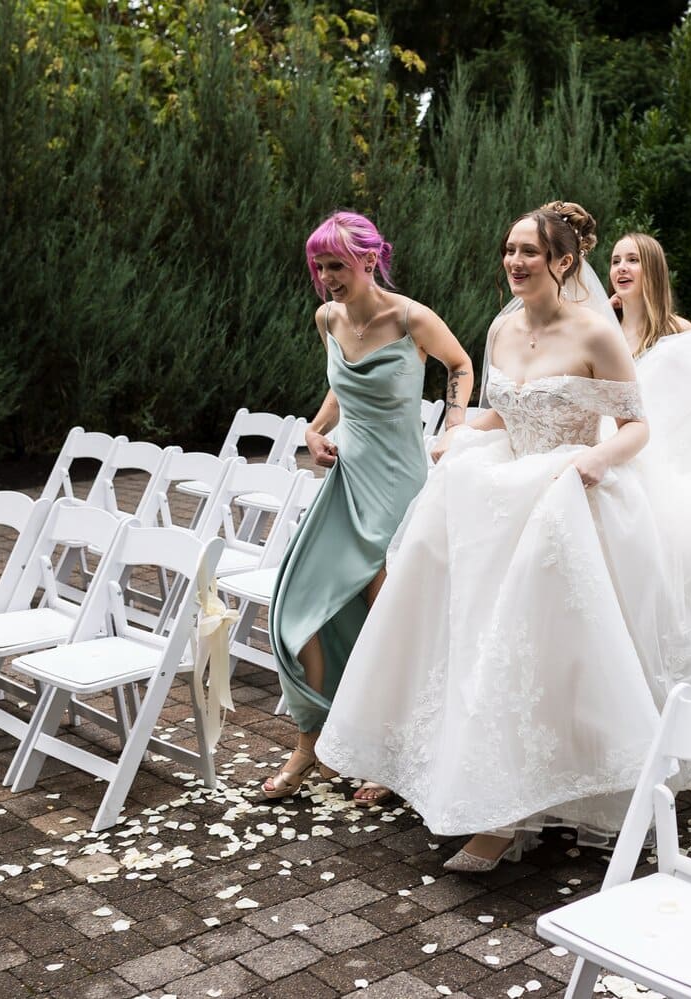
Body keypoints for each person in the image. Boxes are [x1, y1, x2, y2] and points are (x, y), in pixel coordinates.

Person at [316, 202, 691, 871]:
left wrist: (594, 459)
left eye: (529, 253)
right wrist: (459, 433)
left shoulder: (596, 334)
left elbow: (635, 425)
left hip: (569, 497)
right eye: (509, 250)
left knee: (538, 652)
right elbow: (501, 411)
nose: (515, 262)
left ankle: (507, 816)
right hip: (503, 495)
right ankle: (479, 785)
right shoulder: (503, 329)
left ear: (564, 262)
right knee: (478, 640)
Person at [261, 211, 473, 803]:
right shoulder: (327, 317)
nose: (327, 277)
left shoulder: (410, 318)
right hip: (346, 479)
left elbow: (460, 364)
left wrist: (454, 424)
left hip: (399, 486)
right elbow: (342, 383)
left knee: (390, 622)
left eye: (338, 265)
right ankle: (315, 740)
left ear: (369, 260)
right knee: (296, 613)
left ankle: (390, 752)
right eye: (321, 266)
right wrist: (314, 428)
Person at [610, 232, 691, 356]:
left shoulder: (680, 330)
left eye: (633, 260)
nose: (621, 268)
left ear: (653, 270)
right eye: (616, 261)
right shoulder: (605, 331)